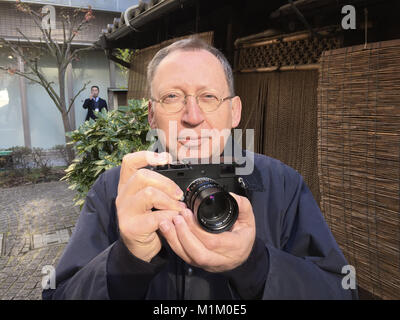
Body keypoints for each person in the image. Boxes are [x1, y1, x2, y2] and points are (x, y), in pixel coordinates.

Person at [42, 38, 358, 300]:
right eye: (172, 97)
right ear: (151, 115)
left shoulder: (282, 185)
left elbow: (343, 291)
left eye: (208, 97)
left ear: (234, 112)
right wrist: (126, 262)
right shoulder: (114, 190)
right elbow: (57, 294)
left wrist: (256, 266)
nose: (192, 116)